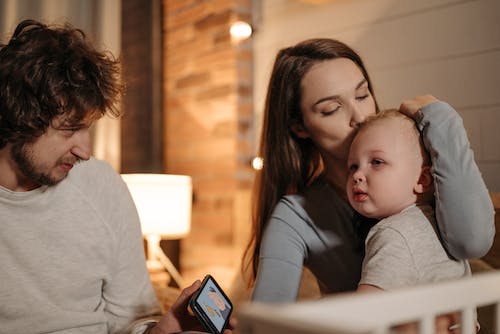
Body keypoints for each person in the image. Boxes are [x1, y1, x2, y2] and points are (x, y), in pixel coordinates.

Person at [0, 19, 229, 334]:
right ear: (18, 117)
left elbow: (130, 321)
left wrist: (163, 330)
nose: (85, 151)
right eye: (69, 129)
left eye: (88, 128)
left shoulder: (101, 185)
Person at [244, 38, 494, 303]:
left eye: (362, 95)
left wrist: (442, 120)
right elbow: (266, 318)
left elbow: (473, 242)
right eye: (331, 109)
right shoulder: (296, 217)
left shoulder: (415, 167)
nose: (360, 116)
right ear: (300, 127)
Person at [346, 109, 470, 292]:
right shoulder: (443, 223)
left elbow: (367, 310)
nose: (357, 174)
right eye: (353, 166)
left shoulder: (392, 233)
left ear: (422, 180)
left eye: (377, 162)